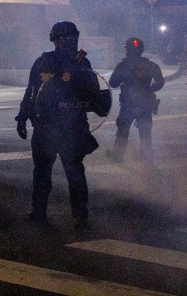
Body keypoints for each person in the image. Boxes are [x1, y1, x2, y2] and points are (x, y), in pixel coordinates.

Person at [16, 21, 101, 231]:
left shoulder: (82, 63)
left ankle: (80, 216)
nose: (69, 43)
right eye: (65, 39)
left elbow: (92, 93)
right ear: (56, 41)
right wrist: (22, 116)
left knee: (74, 173)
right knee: (42, 172)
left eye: (72, 39)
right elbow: (32, 91)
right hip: (46, 127)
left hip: (71, 127)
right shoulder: (43, 62)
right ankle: (38, 212)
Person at [107, 37, 164, 164]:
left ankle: (118, 156)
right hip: (145, 104)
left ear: (127, 50)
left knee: (123, 131)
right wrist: (151, 88)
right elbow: (160, 82)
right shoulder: (150, 65)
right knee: (145, 132)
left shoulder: (123, 65)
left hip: (128, 104)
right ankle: (148, 158)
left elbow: (113, 83)